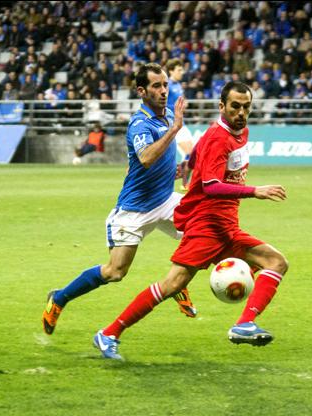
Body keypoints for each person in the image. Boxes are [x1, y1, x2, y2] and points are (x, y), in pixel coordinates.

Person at [93, 82, 289, 360]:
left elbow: (201, 146)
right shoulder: (221, 139)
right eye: (235, 106)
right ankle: (109, 333)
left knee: (276, 262)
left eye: (246, 106)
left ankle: (244, 324)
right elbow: (210, 185)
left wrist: (188, 165)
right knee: (171, 285)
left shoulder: (236, 131)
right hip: (207, 226)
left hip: (226, 225)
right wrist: (254, 191)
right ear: (222, 106)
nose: (241, 112)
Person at [42, 63, 197, 335]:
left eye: (165, 85)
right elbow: (147, 159)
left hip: (163, 200)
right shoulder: (140, 124)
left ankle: (176, 285)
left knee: (200, 233)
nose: (163, 91)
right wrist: (175, 129)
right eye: (156, 86)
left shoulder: (166, 117)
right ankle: (60, 298)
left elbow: (153, 167)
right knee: (114, 272)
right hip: (134, 210)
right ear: (141, 90)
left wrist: (179, 170)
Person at [165, 59, 194, 191]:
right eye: (179, 70)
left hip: (181, 122)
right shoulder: (167, 85)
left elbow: (180, 101)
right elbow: (162, 103)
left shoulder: (178, 85)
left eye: (182, 70)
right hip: (172, 123)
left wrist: (183, 104)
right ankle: (177, 180)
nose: (181, 72)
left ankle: (184, 183)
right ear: (171, 71)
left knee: (191, 153)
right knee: (190, 153)